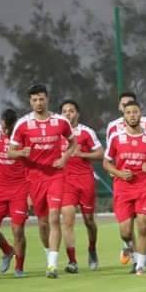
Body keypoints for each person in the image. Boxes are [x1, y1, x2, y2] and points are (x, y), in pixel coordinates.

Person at [8, 84, 76, 278]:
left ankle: (52, 265)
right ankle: (49, 255)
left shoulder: (60, 121)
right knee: (43, 223)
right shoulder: (23, 124)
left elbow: (73, 143)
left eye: (41, 99)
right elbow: (10, 152)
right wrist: (21, 152)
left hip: (55, 175)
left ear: (47, 99)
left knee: (54, 217)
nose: (38, 103)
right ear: (30, 102)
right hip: (34, 178)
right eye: (34, 100)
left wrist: (64, 158)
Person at [103, 101, 146, 276]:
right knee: (126, 232)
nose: (132, 115)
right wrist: (119, 173)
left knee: (143, 224)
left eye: (135, 112)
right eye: (128, 112)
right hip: (122, 188)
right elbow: (106, 163)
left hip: (144, 186)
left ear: (140, 114)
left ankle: (140, 266)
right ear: (124, 116)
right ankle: (129, 247)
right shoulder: (116, 137)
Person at [0, 109, 29, 277]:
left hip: (20, 187)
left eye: (9, 127)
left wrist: (30, 191)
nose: (6, 130)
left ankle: (19, 268)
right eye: (4, 127)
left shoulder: (23, 135)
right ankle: (7, 250)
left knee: (18, 230)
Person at [59, 100, 104, 273]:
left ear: (77, 114)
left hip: (85, 180)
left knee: (89, 221)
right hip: (65, 181)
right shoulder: (56, 133)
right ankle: (72, 261)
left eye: (71, 111)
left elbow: (100, 153)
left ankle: (92, 248)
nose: (68, 114)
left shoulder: (86, 132)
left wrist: (82, 154)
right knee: (67, 220)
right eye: (64, 111)